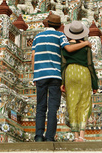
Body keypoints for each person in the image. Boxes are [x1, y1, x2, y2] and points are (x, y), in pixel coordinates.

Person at [31, 12, 92, 142]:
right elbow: (69, 49)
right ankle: (49, 137)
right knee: (53, 107)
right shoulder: (59, 35)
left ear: (47, 24)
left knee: (40, 106)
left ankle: (38, 136)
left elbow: (33, 56)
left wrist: (34, 74)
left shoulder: (37, 37)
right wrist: (85, 44)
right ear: (59, 26)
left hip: (40, 75)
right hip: (55, 76)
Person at [60, 20, 98, 141]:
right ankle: (82, 135)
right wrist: (95, 83)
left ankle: (75, 136)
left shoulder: (65, 46)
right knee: (84, 103)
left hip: (70, 73)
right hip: (84, 73)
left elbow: (63, 64)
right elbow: (90, 65)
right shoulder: (86, 47)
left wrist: (62, 82)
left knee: (72, 104)